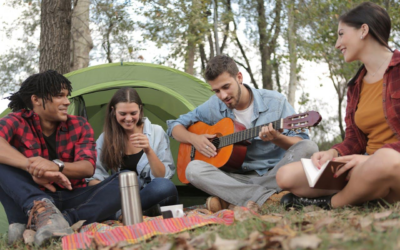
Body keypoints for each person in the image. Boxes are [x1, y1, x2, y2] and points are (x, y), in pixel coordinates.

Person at [276, 2, 400, 209]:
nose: (337, 43)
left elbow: (382, 159)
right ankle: (368, 194)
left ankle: (332, 203)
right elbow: (354, 139)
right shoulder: (356, 86)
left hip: (390, 163)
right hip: (363, 164)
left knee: (384, 160)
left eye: (341, 34)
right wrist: (333, 154)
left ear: (363, 30)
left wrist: (370, 161)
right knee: (286, 176)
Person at [167, 55, 318, 212]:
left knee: (309, 147)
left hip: (275, 173)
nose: (223, 96)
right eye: (216, 91)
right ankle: (266, 198)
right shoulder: (214, 105)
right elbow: (173, 126)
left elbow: (301, 142)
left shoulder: (275, 102)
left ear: (239, 77)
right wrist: (194, 139)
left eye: (226, 87)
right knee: (193, 169)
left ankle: (238, 198)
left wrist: (278, 138)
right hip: (237, 178)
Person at [0, 70, 122, 246]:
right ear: (36, 100)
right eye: (59, 96)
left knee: (125, 181)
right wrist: (30, 166)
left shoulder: (79, 124)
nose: (66, 101)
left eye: (67, 96)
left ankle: (61, 220)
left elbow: (87, 167)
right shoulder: (16, 120)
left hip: (72, 196)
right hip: (30, 201)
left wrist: (54, 167)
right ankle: (42, 212)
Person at [87, 87, 178, 214]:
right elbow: (94, 177)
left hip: (149, 195)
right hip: (121, 195)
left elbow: (162, 177)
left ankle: (123, 212)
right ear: (113, 111)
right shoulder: (106, 138)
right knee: (123, 176)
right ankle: (135, 211)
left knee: (164, 186)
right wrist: (112, 191)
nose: (128, 119)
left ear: (140, 110)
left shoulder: (156, 132)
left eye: (133, 113)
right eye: (123, 114)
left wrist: (148, 151)